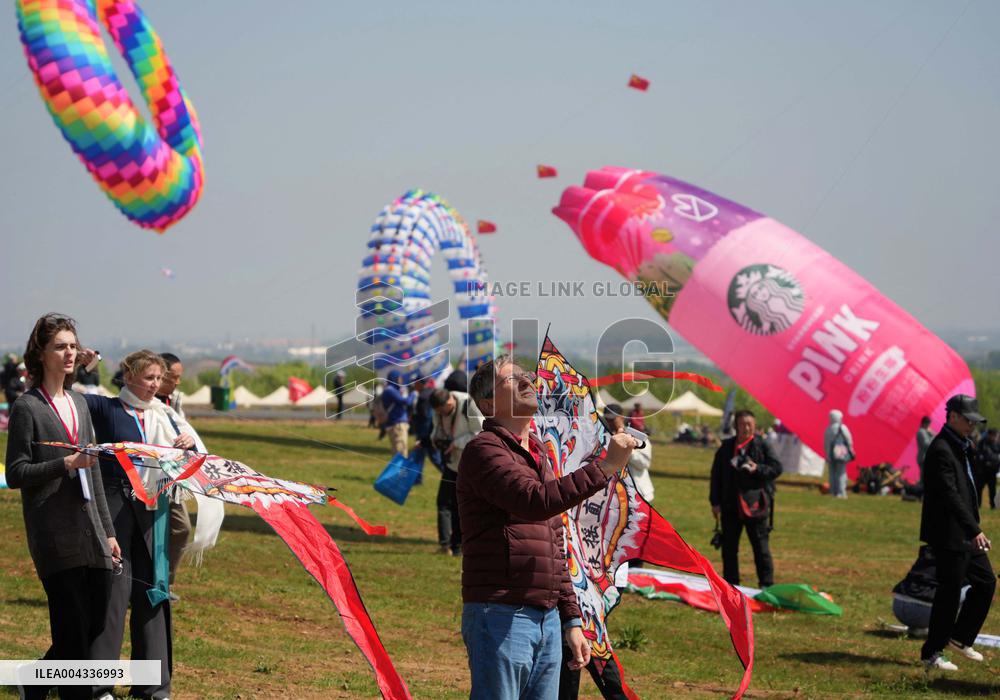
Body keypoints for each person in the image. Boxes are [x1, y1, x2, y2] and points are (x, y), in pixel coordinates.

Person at [458, 355, 637, 699]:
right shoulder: (484, 450)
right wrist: (608, 465)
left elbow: (557, 544)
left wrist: (570, 619)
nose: (527, 381)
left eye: (526, 375)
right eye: (512, 379)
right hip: (500, 613)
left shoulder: (539, 452)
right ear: (488, 403)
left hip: (547, 619)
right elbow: (535, 501)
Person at [5, 314, 120, 700]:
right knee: (71, 628)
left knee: (95, 620)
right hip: (54, 530)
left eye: (73, 345)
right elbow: (18, 472)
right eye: (60, 346)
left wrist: (109, 531)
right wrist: (64, 464)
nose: (69, 352)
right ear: (41, 354)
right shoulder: (27, 407)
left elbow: (96, 474)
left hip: (92, 529)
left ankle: (34, 679)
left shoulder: (80, 404)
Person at [84, 350, 201, 700]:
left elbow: (190, 458)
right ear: (129, 374)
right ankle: (97, 686)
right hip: (115, 509)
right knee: (113, 597)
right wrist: (86, 365)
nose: (154, 385)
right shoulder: (105, 408)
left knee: (154, 593)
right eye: (148, 378)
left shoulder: (166, 416)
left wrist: (188, 445)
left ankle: (153, 687)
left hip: (153, 509)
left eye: (158, 379)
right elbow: (66, 398)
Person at [919, 394, 995, 671]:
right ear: (951, 416)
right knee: (949, 595)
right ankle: (933, 653)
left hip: (966, 532)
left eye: (975, 422)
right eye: (968, 421)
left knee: (986, 582)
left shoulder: (963, 446)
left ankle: (960, 638)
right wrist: (974, 529)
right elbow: (951, 496)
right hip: (949, 533)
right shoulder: (941, 449)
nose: (972, 426)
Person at [710, 409, 782, 589]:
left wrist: (757, 468)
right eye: (742, 424)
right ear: (736, 426)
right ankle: (731, 585)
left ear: (755, 426)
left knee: (761, 547)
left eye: (749, 424)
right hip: (730, 504)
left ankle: (766, 584)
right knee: (729, 549)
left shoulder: (762, 445)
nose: (746, 428)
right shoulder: (726, 447)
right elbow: (716, 475)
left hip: (755, 505)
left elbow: (776, 468)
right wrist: (715, 502)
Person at [430, 387, 484, 556]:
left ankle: (458, 547)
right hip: (451, 462)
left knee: (460, 507)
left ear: (450, 402)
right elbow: (436, 429)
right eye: (438, 412)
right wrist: (435, 439)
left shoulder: (469, 405)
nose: (441, 414)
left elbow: (481, 433)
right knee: (443, 503)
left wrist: (457, 443)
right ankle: (445, 545)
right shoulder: (438, 410)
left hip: (469, 465)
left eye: (442, 410)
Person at [380, 369, 412, 457]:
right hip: (397, 424)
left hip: (395, 423)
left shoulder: (390, 390)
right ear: (394, 379)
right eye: (399, 378)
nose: (401, 381)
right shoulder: (390, 390)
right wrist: (413, 394)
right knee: (401, 452)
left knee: (398, 450)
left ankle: (399, 470)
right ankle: (400, 471)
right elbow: (405, 402)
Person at [823, 409, 854, 499]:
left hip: (830, 454)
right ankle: (841, 492)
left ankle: (833, 491)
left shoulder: (828, 429)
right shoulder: (843, 428)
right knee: (841, 473)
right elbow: (849, 440)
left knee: (832, 473)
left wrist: (827, 453)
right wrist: (851, 450)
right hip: (840, 453)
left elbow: (825, 443)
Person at [975, 429, 999, 510]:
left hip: (992, 471)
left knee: (992, 490)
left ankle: (993, 505)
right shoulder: (982, 443)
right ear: (989, 435)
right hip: (982, 471)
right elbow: (979, 455)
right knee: (979, 489)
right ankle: (978, 505)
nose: (995, 437)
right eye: (994, 436)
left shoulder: (997, 444)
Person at [916, 416, 934, 486]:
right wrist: (931, 435)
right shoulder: (921, 432)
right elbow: (926, 444)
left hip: (926, 457)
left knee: (926, 476)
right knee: (924, 477)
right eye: (928, 423)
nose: (929, 425)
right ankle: (921, 491)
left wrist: (931, 434)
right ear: (924, 423)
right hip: (924, 458)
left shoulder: (927, 431)